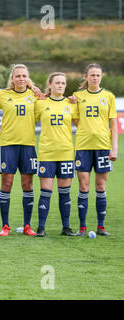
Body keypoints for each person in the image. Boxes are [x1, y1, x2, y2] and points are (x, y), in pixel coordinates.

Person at [0, 64, 39, 237]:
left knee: (27, 184)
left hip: (28, 145)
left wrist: (39, 92)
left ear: (28, 78)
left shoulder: (34, 96)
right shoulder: (3, 95)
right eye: (17, 76)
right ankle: (5, 226)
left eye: (24, 76)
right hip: (8, 145)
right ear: (12, 78)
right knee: (7, 184)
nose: (21, 79)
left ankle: (27, 225)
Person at [72, 63, 118, 236]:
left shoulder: (108, 97)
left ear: (101, 77)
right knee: (83, 186)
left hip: (103, 148)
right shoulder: (78, 96)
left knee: (100, 186)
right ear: (86, 77)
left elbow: (113, 124)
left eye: (98, 75)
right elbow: (75, 120)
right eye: (92, 75)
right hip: (83, 147)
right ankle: (82, 227)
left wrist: (114, 148)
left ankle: (101, 227)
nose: (95, 78)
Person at [34, 72, 77, 237]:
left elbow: (82, 124)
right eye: (57, 82)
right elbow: (29, 120)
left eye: (63, 83)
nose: (60, 85)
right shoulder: (40, 103)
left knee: (65, 192)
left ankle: (66, 227)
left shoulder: (71, 104)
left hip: (66, 152)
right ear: (50, 85)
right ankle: (41, 227)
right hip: (47, 153)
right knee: (45, 191)